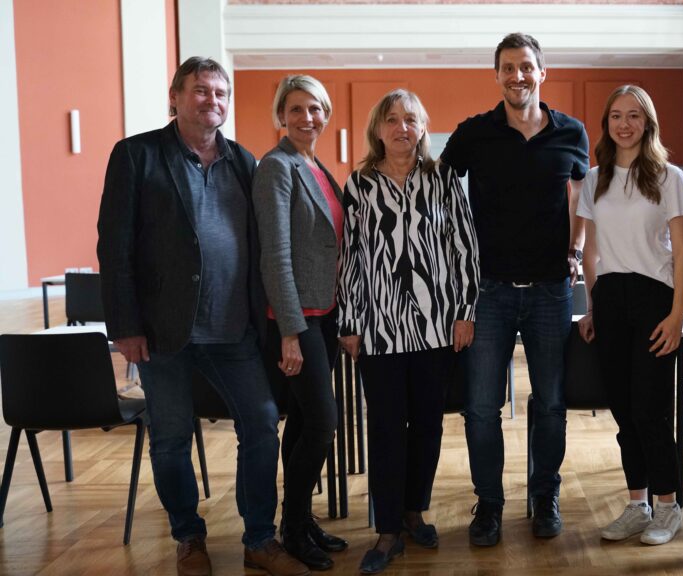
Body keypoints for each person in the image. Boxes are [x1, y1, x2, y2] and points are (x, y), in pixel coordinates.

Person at [97, 57, 309, 576]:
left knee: (260, 424)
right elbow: (114, 246)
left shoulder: (244, 160)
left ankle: (259, 539)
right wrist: (124, 327)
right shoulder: (136, 155)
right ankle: (189, 539)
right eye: (200, 91)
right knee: (171, 438)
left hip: (233, 328)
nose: (211, 101)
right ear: (175, 97)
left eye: (220, 93)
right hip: (163, 331)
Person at [440, 31, 589, 546]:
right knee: (482, 407)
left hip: (550, 290)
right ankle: (490, 504)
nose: (517, 75)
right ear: (497, 75)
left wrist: (575, 250)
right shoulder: (474, 134)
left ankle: (543, 496)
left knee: (549, 402)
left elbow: (584, 200)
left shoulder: (572, 133)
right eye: (507, 67)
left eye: (526, 66)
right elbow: (437, 189)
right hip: (488, 291)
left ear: (542, 72)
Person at [338, 88, 480, 574]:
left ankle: (415, 510)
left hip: (438, 326)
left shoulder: (443, 180)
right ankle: (387, 531)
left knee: (428, 424)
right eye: (393, 119)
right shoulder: (358, 185)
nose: (402, 128)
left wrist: (465, 310)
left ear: (423, 128)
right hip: (377, 329)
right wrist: (350, 321)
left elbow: (465, 247)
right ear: (378, 128)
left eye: (411, 120)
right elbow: (352, 259)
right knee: (384, 426)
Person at [576, 85, 683, 546]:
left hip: (653, 299)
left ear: (648, 123)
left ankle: (668, 506)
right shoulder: (594, 178)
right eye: (616, 116)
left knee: (651, 410)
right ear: (606, 124)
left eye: (634, 116)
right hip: (610, 299)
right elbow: (589, 249)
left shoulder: (668, 177)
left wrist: (676, 314)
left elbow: (682, 252)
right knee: (624, 411)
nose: (624, 124)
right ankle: (637, 503)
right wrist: (591, 304)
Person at [252, 74, 349, 572]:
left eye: (314, 108)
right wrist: (289, 331)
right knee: (324, 422)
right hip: (297, 320)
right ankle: (290, 528)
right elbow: (276, 254)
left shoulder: (317, 167)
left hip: (325, 312)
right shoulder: (276, 166)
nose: (306, 117)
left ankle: (300, 520)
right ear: (280, 116)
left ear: (326, 114)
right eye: (295, 109)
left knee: (307, 422)